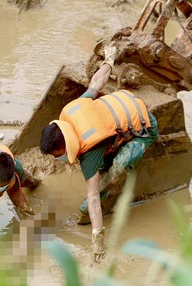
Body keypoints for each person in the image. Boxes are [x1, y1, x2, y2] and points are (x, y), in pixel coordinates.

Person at [39, 46, 158, 262]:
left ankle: (117, 171)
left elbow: (93, 198)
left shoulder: (89, 151)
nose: (57, 159)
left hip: (144, 126)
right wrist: (109, 61)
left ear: (65, 145)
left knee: (118, 169)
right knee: (107, 152)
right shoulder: (72, 110)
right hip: (122, 102)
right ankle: (112, 155)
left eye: (58, 155)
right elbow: (97, 83)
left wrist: (97, 240)